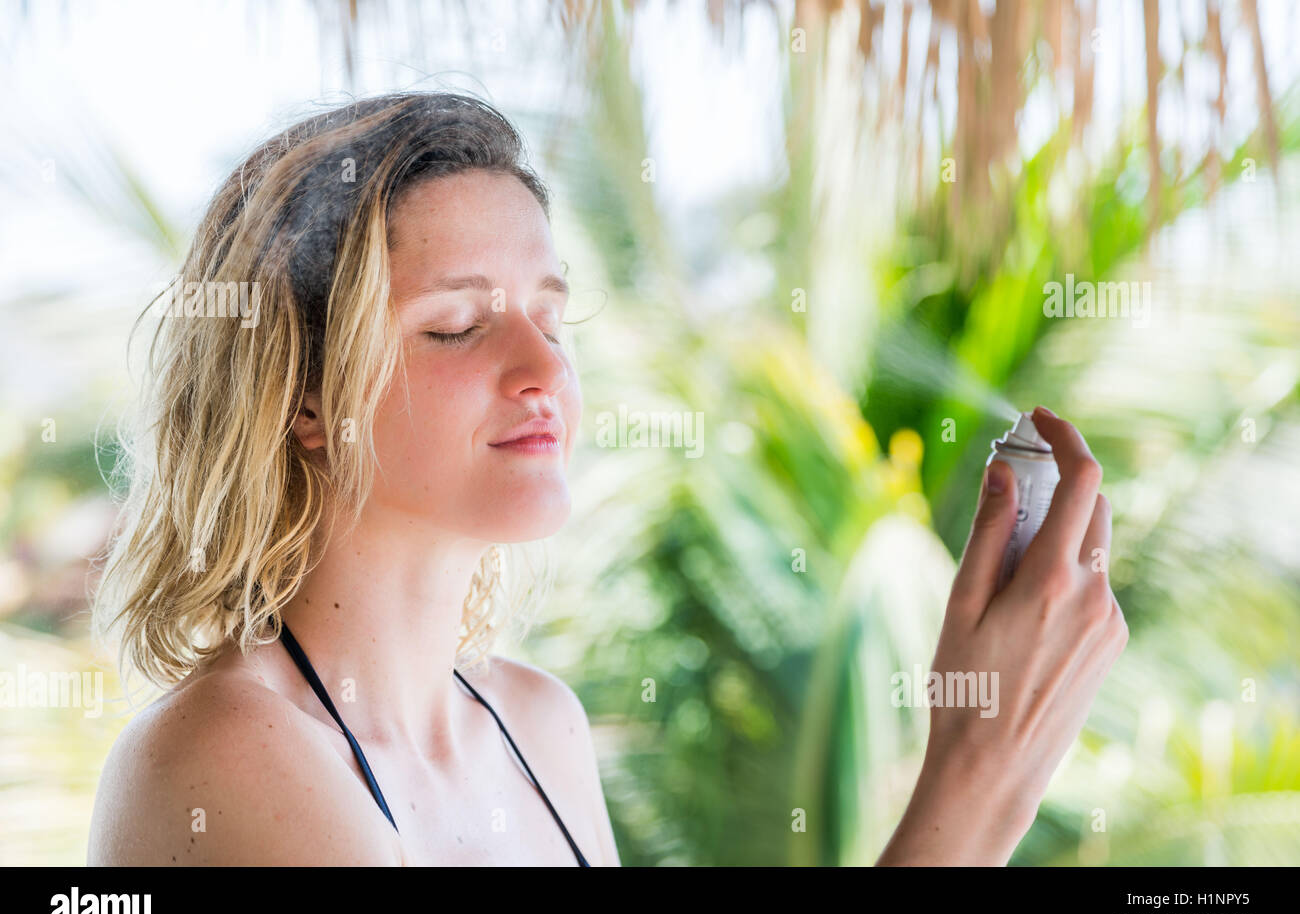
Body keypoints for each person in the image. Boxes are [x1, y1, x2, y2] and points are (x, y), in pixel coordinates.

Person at [86, 91, 1124, 867]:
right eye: (455, 326)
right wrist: (978, 781)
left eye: (550, 314)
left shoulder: (538, 727)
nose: (543, 371)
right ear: (301, 399)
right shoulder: (223, 759)